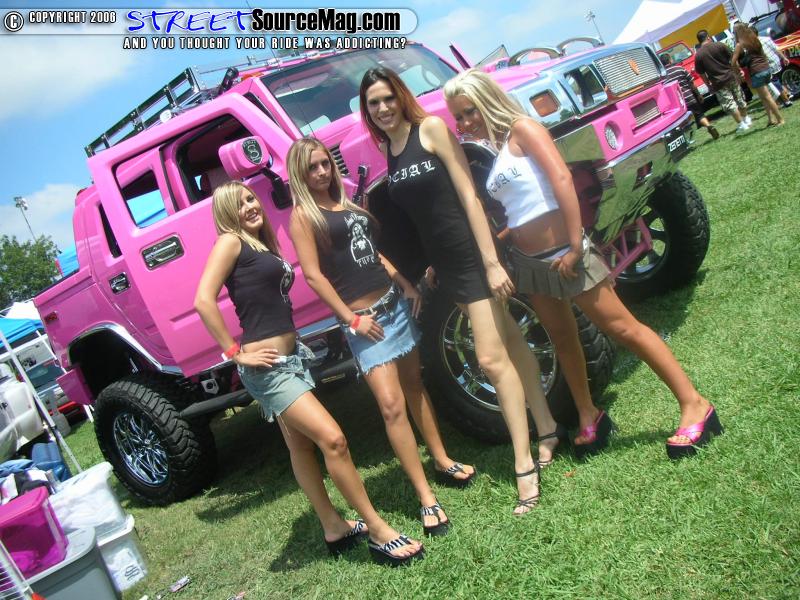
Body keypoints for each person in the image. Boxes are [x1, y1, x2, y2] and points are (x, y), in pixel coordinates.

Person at [443, 69, 724, 461]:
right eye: (458, 116)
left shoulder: (524, 129)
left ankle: (695, 404)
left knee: (622, 327)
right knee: (562, 338)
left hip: (565, 253)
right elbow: (522, 209)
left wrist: (576, 245)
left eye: (470, 111)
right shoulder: (498, 146)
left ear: (487, 100)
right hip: (530, 263)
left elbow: (561, 178)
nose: (465, 122)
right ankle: (588, 413)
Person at [359, 67, 566, 515]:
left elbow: (468, 196)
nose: (383, 108)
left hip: (473, 256)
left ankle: (524, 463)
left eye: (388, 98)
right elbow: (426, 215)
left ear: (401, 96)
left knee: (490, 359)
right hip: (447, 265)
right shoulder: (391, 151)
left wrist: (490, 261)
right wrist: (432, 263)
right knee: (511, 340)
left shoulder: (430, 129)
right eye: (374, 103)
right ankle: (547, 426)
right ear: (367, 110)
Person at [194, 181, 423, 566]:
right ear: (227, 214)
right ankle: (377, 530)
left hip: (291, 359)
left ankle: (333, 527)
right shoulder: (230, 242)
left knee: (300, 447)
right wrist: (235, 354)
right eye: (239, 204)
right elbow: (203, 300)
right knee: (333, 440)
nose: (250, 206)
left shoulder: (260, 245)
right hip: (269, 369)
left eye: (251, 198)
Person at [287, 138, 476, 536]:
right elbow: (314, 276)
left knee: (414, 386)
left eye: (325, 164)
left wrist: (404, 283)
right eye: (312, 168)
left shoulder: (346, 204)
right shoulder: (304, 216)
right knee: (391, 407)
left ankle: (441, 459)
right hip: (365, 321)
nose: (321, 172)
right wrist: (350, 320)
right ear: (300, 175)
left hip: (394, 304)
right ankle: (426, 496)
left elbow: (373, 253)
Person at [695, 29, 752, 134]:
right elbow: (733, 59)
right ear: (708, 37)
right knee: (739, 98)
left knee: (730, 104)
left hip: (718, 83)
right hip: (731, 76)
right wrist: (739, 71)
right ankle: (746, 119)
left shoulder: (698, 55)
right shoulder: (720, 45)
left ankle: (742, 124)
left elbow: (702, 74)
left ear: (699, 41)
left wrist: (708, 85)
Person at [659, 54, 720, 140]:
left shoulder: (662, 77)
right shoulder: (680, 69)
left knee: (682, 122)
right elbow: (692, 84)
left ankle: (688, 139)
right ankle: (708, 126)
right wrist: (698, 95)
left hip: (678, 104)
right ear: (670, 60)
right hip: (689, 98)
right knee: (699, 115)